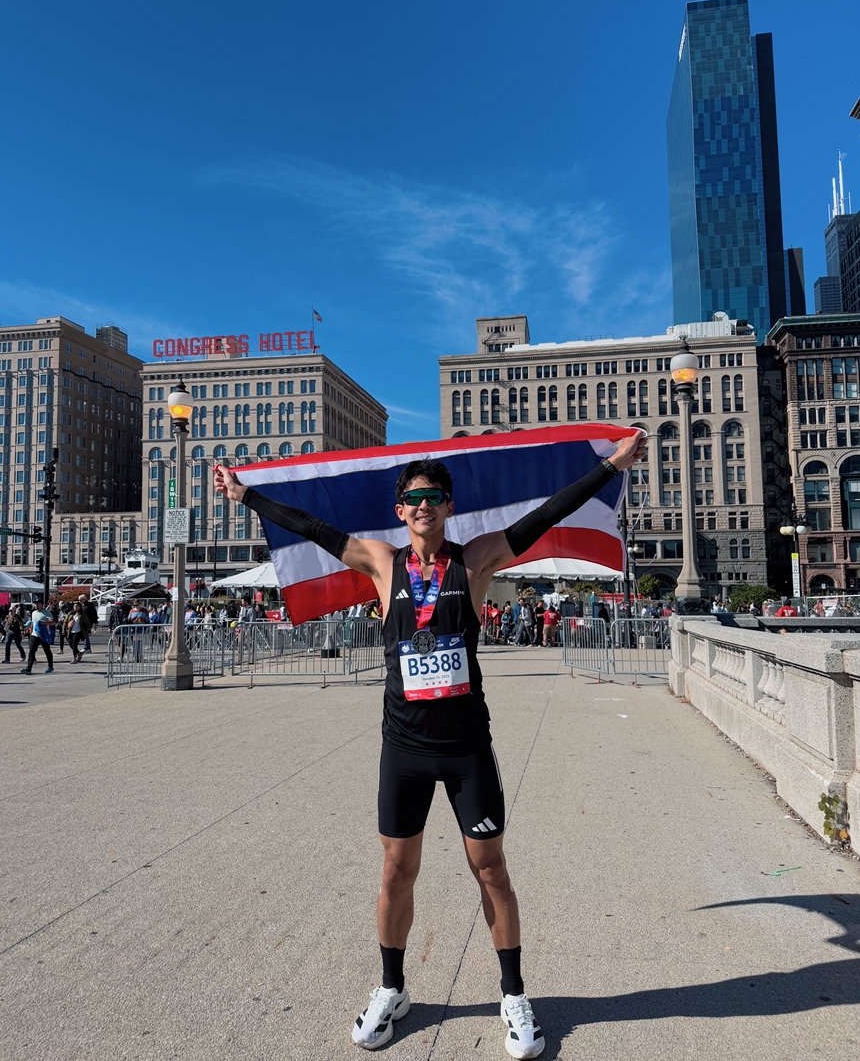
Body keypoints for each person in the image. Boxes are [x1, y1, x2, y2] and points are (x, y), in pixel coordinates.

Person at [215, 430, 646, 1059]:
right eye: (414, 498)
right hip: (405, 748)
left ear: (448, 506)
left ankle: (513, 995)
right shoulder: (380, 562)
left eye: (434, 497)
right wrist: (246, 495)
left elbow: (547, 513)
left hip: (466, 744)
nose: (424, 506)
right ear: (401, 510)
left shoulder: (475, 560)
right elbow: (312, 527)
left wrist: (611, 467)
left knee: (490, 868)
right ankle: (392, 989)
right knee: (396, 870)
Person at [21, 601, 55, 674]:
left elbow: (53, 622)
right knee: (31, 651)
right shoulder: (33, 613)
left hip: (43, 635)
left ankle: (50, 666)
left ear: (41, 604)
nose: (36, 605)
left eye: (38, 603)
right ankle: (28, 668)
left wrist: (44, 623)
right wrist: (30, 633)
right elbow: (33, 623)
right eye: (35, 604)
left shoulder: (46, 613)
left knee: (47, 651)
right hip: (34, 635)